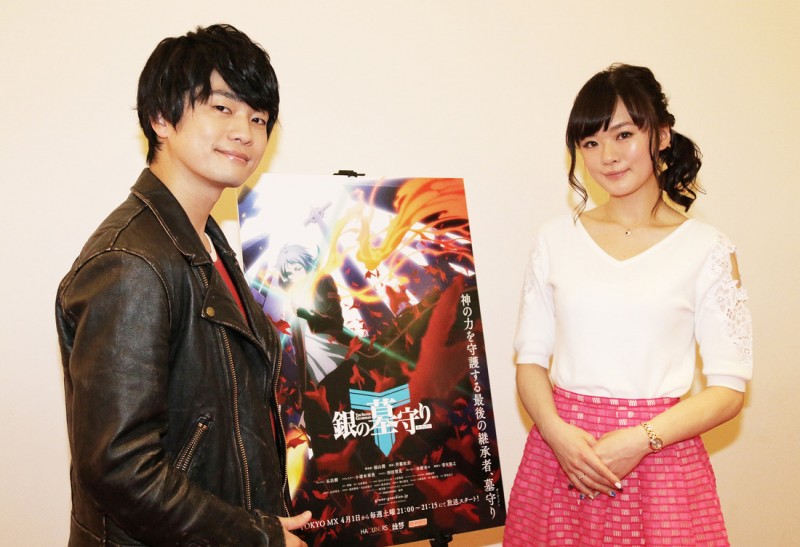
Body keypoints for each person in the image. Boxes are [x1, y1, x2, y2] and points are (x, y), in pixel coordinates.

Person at [55, 24, 311, 546]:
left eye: (258, 118)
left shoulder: (204, 242)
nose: (245, 132)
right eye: (222, 108)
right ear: (160, 118)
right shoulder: (131, 261)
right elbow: (119, 466)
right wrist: (255, 536)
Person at [503, 64, 752, 545]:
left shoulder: (707, 248)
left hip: (662, 459)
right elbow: (530, 360)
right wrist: (555, 432)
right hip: (564, 458)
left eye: (623, 135)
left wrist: (641, 439)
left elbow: (728, 389)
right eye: (590, 142)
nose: (608, 157)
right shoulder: (555, 240)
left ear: (661, 135)